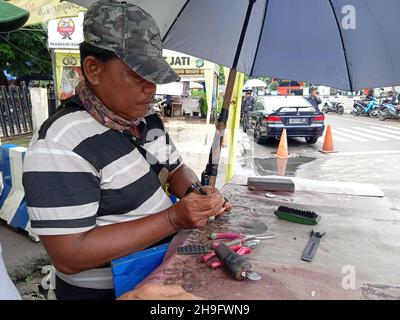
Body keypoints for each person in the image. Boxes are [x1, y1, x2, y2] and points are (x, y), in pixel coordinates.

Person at [22, 0, 230, 300]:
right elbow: (70, 254)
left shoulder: (146, 118)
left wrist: (197, 196)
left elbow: (175, 169)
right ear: (93, 69)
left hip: (162, 270)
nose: (151, 89)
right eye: (138, 75)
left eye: (154, 76)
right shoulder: (60, 143)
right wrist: (173, 218)